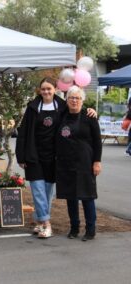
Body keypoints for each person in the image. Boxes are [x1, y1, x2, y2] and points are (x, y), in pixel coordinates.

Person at [16, 77, 96, 239]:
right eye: (43, 89)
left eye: (49, 89)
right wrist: (21, 156)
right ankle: (47, 223)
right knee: (38, 190)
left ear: (55, 90)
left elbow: (77, 108)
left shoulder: (62, 106)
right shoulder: (32, 108)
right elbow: (23, 133)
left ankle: (39, 221)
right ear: (39, 90)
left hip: (54, 157)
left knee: (47, 193)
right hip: (34, 155)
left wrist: (91, 110)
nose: (46, 92)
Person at [56, 86, 102, 241]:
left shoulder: (90, 117)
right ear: (67, 100)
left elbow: (97, 142)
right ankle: (74, 228)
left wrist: (97, 161)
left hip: (85, 164)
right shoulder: (61, 116)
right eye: (71, 98)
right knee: (71, 198)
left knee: (87, 197)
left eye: (77, 98)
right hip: (66, 164)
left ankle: (91, 230)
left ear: (82, 100)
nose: (74, 100)